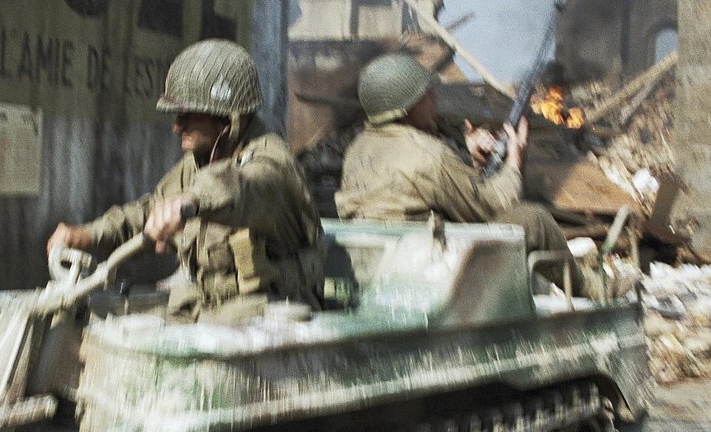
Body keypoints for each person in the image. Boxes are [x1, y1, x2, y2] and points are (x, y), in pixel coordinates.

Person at [47, 39, 324, 322]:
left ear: (228, 119)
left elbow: (240, 187)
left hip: (271, 311)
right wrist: (87, 234)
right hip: (209, 302)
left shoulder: (271, 163)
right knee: (93, 320)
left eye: (188, 115)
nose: (177, 126)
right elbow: (150, 210)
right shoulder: (201, 161)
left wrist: (189, 201)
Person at [334, 53, 597, 298]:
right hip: (422, 273)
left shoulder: (358, 148)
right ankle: (595, 290)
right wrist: (514, 160)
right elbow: (493, 205)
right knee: (534, 219)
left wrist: (472, 163)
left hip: (373, 269)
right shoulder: (428, 154)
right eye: (424, 94)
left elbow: (428, 196)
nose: (433, 97)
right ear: (406, 108)